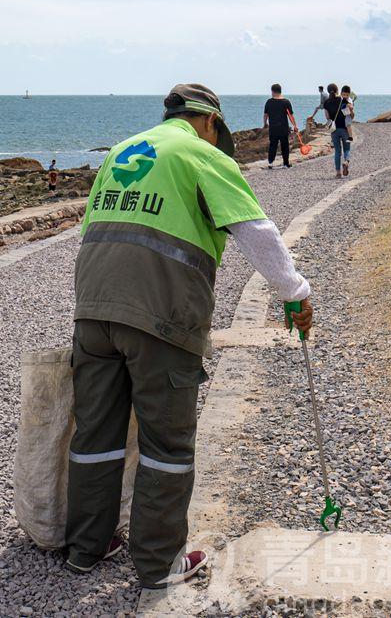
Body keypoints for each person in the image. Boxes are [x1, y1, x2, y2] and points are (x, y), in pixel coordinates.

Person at [66, 83, 313, 589]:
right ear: (208, 123)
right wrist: (295, 292)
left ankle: (86, 548)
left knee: (95, 432)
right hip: (161, 316)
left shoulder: (119, 152)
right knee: (166, 443)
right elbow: (257, 234)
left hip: (92, 309)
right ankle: (160, 564)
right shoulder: (202, 156)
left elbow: (93, 225)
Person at [323, 84, 354, 178]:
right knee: (347, 149)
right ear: (338, 91)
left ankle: (338, 173)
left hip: (334, 130)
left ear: (328, 91)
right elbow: (350, 115)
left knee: (337, 151)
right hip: (344, 129)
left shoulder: (326, 103)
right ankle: (346, 162)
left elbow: (327, 117)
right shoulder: (343, 100)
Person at [263, 83, 294, 169]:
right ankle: (286, 163)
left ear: (272, 91)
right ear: (280, 91)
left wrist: (265, 123)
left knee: (273, 145)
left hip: (273, 128)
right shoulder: (286, 102)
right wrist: (294, 125)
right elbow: (290, 115)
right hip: (283, 127)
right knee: (285, 145)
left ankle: (270, 162)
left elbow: (265, 115)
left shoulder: (269, 102)